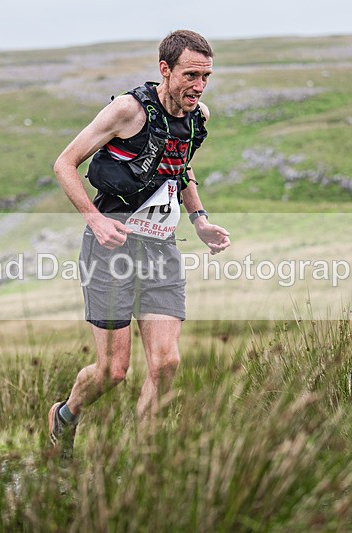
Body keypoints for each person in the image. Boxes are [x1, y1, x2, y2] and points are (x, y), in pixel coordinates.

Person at [50, 30, 230, 459]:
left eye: (206, 76)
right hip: (110, 250)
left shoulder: (197, 117)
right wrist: (94, 219)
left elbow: (179, 168)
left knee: (166, 363)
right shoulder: (127, 111)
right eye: (190, 75)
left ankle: (142, 463)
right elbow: (64, 163)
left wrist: (200, 220)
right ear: (165, 70)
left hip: (160, 249)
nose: (199, 86)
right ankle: (65, 415)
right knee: (113, 371)